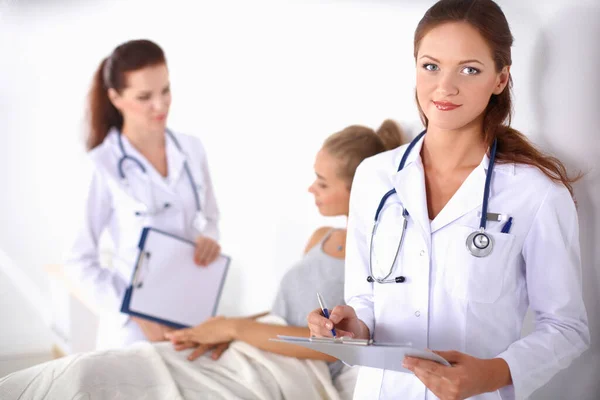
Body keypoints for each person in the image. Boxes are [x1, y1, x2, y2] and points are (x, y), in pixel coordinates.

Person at [307, 1, 590, 399]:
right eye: (431, 65)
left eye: (469, 69)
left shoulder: (537, 194)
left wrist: (493, 374)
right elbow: (366, 298)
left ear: (500, 78)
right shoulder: (374, 177)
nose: (445, 86)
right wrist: (351, 327)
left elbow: (567, 328)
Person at [164, 120, 406, 383]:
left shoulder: (381, 258)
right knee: (156, 359)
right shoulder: (320, 237)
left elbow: (338, 347)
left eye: (322, 184)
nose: (311, 188)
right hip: (261, 348)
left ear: (358, 190)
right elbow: (282, 314)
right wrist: (222, 330)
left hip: (297, 370)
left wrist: (235, 328)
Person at [64, 39, 222, 350]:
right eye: (144, 96)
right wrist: (134, 312)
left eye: (166, 90)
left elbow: (211, 217)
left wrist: (209, 238)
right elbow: (78, 261)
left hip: (192, 314)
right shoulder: (102, 165)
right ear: (116, 98)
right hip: (134, 331)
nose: (160, 105)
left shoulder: (191, 149)